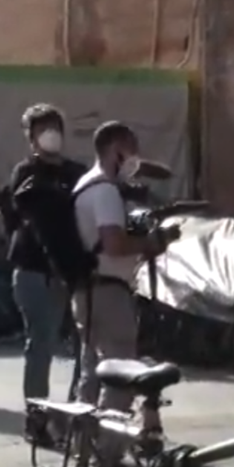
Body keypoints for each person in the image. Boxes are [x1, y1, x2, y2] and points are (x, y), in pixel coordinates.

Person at [70, 122, 175, 411]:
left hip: (89, 291)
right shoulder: (104, 190)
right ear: (115, 149)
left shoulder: (85, 185)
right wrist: (153, 242)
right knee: (121, 376)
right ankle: (108, 451)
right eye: (132, 149)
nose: (135, 157)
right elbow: (114, 244)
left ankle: (84, 448)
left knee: (91, 375)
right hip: (108, 294)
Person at [5, 105, 87, 415]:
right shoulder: (26, 173)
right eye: (42, 129)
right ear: (31, 138)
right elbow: (27, 216)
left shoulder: (77, 172)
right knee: (42, 344)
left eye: (55, 127)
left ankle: (75, 412)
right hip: (35, 271)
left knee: (85, 346)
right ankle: (37, 417)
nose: (50, 134)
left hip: (74, 270)